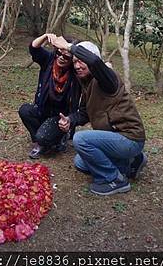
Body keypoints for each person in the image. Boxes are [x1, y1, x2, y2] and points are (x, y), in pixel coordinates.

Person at [50, 36, 147, 196]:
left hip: (129, 138)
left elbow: (95, 62)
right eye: (74, 62)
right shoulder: (86, 84)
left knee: (81, 139)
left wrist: (68, 46)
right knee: (80, 162)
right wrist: (70, 120)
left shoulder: (107, 78)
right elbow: (84, 113)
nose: (77, 66)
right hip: (115, 138)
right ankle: (131, 163)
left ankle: (114, 180)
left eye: (81, 61)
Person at [19, 33, 81, 159]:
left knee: (44, 136)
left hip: (61, 116)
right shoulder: (49, 61)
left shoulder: (77, 73)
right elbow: (33, 48)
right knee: (25, 110)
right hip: (43, 109)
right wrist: (45, 36)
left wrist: (70, 47)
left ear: (73, 60)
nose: (61, 58)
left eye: (66, 56)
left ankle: (54, 139)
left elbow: (93, 61)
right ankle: (41, 141)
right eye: (58, 53)